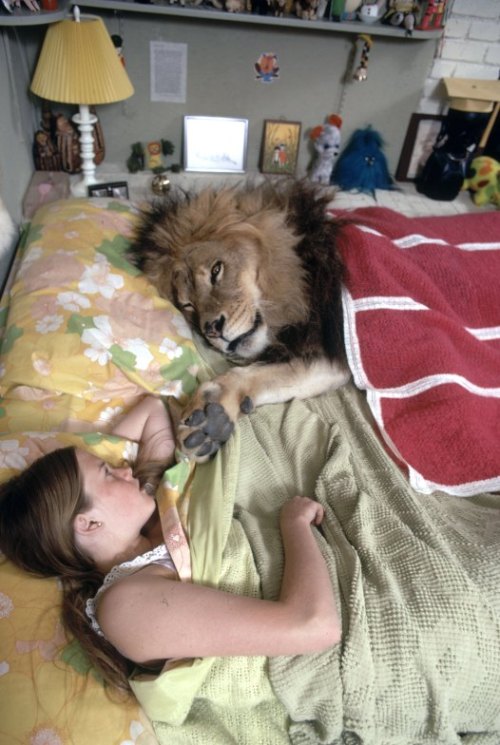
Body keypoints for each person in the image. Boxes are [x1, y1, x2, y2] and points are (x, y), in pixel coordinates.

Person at [0, 394, 340, 694]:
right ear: (89, 523)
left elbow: (152, 409)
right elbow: (312, 626)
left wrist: (95, 444)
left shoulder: (154, 514)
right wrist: (294, 524)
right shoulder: (125, 608)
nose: (124, 469)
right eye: (106, 472)